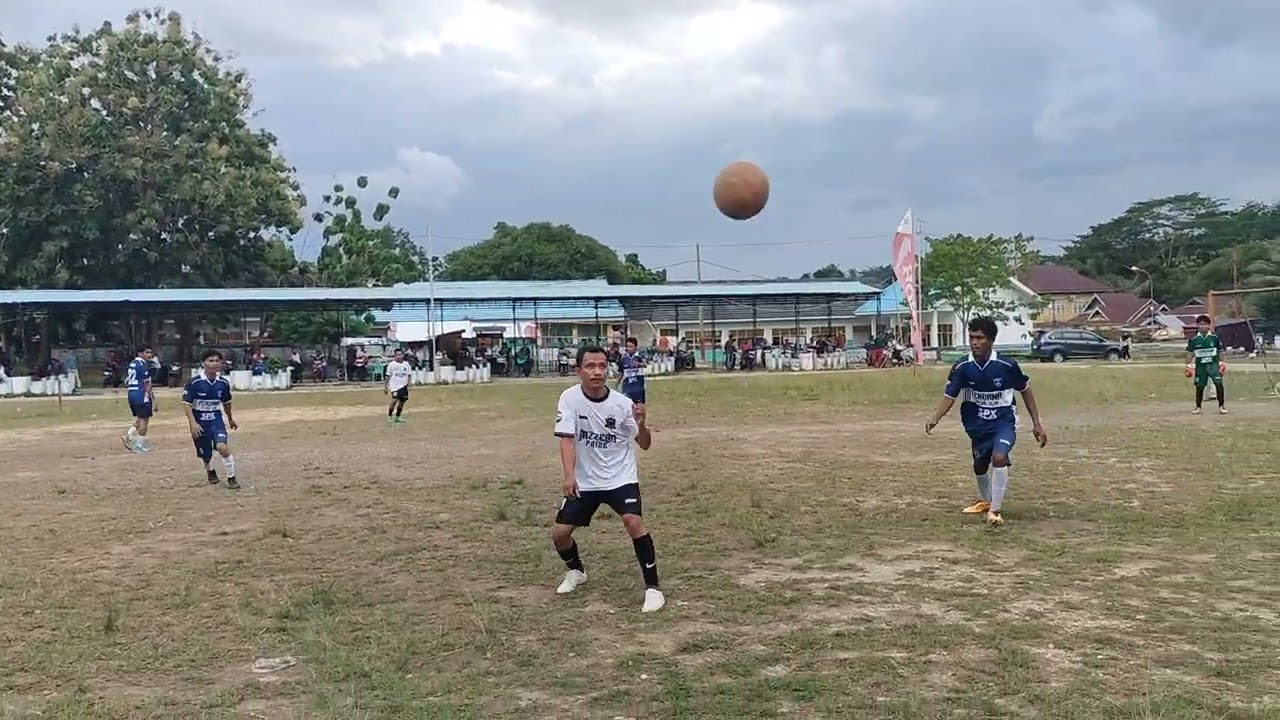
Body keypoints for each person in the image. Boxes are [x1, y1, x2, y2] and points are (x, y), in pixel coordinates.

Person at [551, 345, 664, 613]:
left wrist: (642, 424)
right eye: (590, 366)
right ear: (578, 370)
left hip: (620, 476)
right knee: (560, 534)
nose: (597, 372)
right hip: (586, 481)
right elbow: (566, 439)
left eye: (602, 366)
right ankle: (576, 571)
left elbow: (645, 444)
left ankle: (653, 589)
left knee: (633, 521)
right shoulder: (569, 399)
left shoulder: (622, 404)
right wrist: (569, 476)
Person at [925, 317, 1048, 527]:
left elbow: (1025, 390)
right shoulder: (962, 366)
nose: (974, 342)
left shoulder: (1006, 366)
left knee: (999, 457)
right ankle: (986, 501)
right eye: (972, 338)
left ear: (991, 340)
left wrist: (1036, 423)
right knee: (980, 466)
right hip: (977, 425)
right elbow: (950, 396)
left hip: (1004, 423)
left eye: (979, 338)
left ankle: (995, 511)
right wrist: (935, 418)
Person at [182, 349, 240, 489]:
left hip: (216, 421)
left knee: (222, 447)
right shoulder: (195, 382)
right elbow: (186, 404)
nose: (214, 364)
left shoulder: (223, 383)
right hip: (200, 423)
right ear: (203, 363)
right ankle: (210, 471)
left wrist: (230, 419)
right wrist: (193, 423)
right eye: (210, 361)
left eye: (217, 361)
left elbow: (226, 403)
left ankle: (231, 478)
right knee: (205, 455)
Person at [1185, 314, 1227, 415]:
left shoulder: (1214, 337)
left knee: (1219, 384)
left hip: (1213, 364)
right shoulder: (1194, 339)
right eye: (1201, 324)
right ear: (1198, 326)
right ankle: (1198, 407)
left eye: (1205, 324)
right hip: (1201, 366)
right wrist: (1188, 366)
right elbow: (1189, 354)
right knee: (1199, 386)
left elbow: (1220, 351)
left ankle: (1221, 406)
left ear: (1208, 325)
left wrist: (1222, 363)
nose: (1203, 326)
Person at [122, 346, 156, 452]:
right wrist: (152, 398)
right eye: (147, 352)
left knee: (140, 417)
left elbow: (127, 381)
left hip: (131, 393)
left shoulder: (132, 364)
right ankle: (139, 445)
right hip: (141, 394)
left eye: (150, 352)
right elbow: (147, 383)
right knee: (145, 420)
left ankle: (128, 435)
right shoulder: (143, 365)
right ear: (140, 353)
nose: (149, 355)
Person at [384, 348, 412, 424]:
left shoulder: (406, 364)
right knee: (394, 400)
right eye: (397, 355)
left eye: (400, 354)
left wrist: (409, 384)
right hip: (394, 387)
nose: (399, 356)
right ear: (395, 356)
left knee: (402, 402)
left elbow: (409, 375)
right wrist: (386, 386)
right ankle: (389, 416)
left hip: (404, 386)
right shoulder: (391, 365)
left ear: (403, 355)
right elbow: (387, 376)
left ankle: (398, 417)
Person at [617, 336, 647, 404]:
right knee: (627, 406)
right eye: (627, 346)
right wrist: (616, 384)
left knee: (639, 408)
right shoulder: (623, 359)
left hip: (639, 388)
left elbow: (645, 364)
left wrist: (638, 364)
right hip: (627, 388)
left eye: (631, 346)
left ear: (635, 347)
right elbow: (621, 373)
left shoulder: (639, 356)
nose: (628, 348)